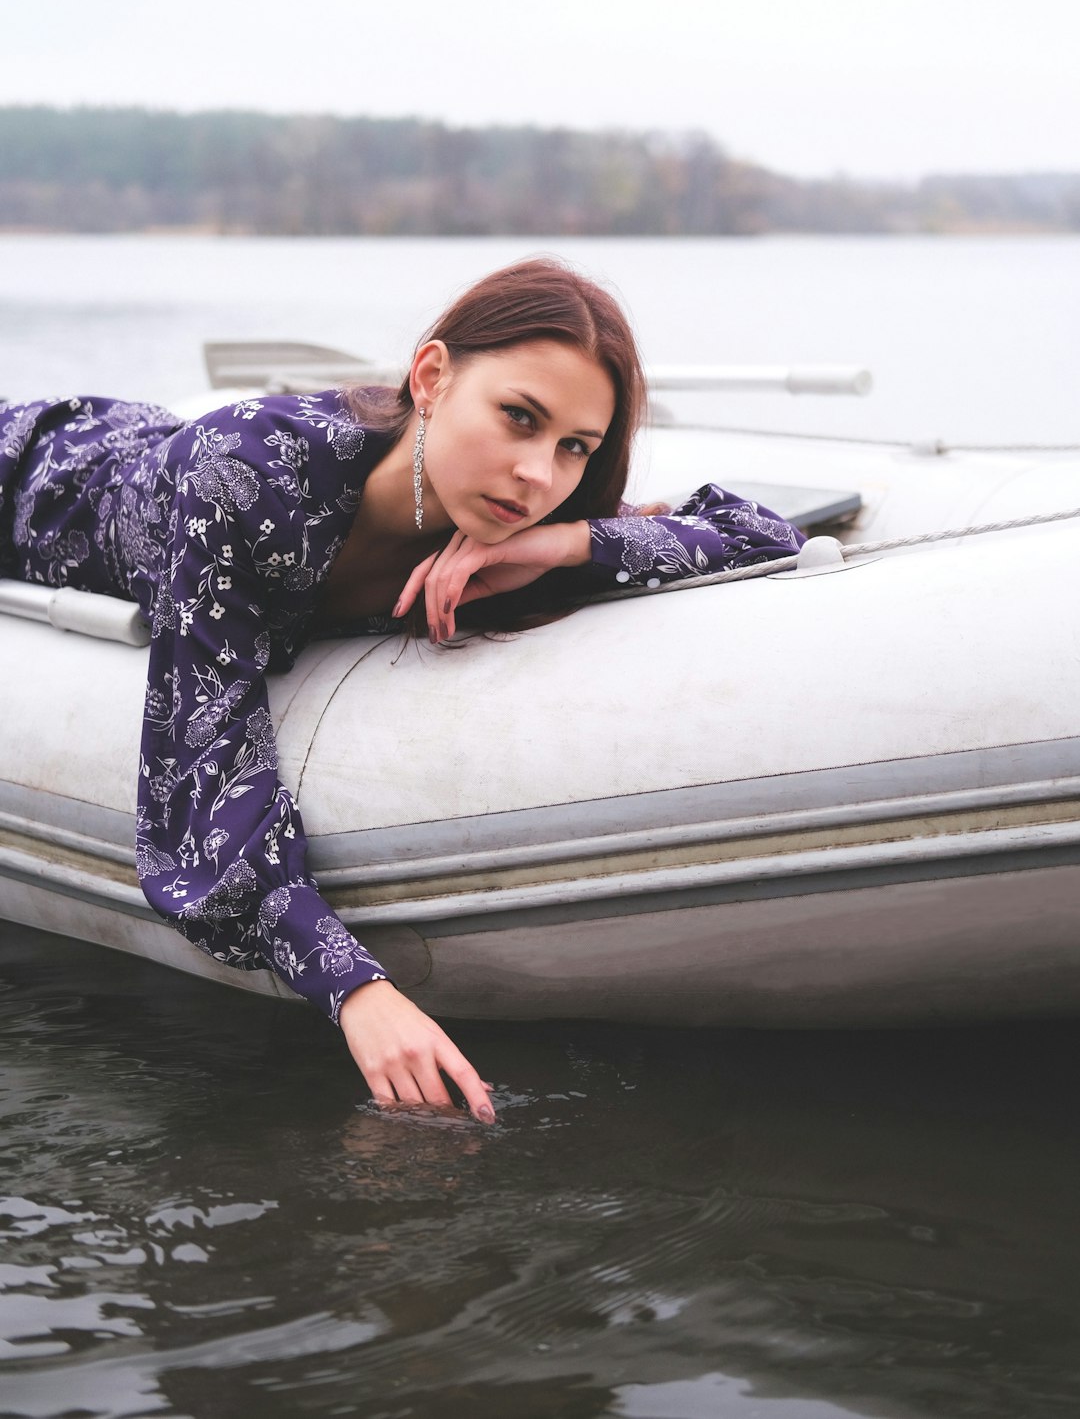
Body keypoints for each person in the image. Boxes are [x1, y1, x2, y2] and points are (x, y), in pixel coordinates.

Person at [0, 259, 804, 1121]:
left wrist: (564, 546)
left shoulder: (510, 525)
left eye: (575, 447)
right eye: (519, 417)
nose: (540, 474)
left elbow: (761, 528)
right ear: (431, 378)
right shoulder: (243, 477)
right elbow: (200, 786)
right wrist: (357, 990)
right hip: (35, 476)